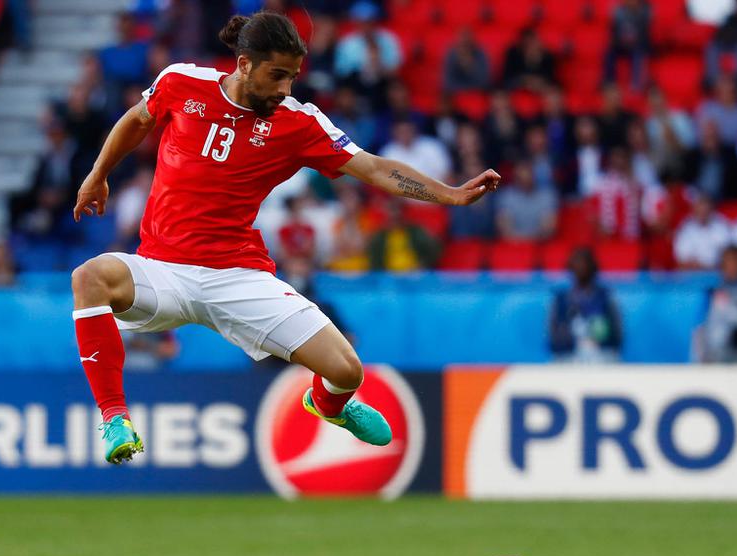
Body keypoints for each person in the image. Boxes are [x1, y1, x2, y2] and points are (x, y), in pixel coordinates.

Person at [70, 12, 502, 463]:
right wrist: (98, 175)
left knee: (346, 369)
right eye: (277, 75)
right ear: (243, 64)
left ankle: (328, 405)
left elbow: (373, 167)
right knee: (90, 277)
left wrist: (449, 195)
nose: (285, 89)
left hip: (238, 277)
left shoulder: (299, 122)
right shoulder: (181, 82)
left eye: (293, 77)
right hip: (163, 269)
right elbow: (138, 120)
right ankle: (115, 419)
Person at [548, 248, 623, 363]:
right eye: (577, 264)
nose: (581, 268)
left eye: (585, 264)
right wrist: (574, 342)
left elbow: (617, 335)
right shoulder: (561, 300)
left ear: (593, 267)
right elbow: (554, 336)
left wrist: (597, 342)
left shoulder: (605, 297)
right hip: (569, 356)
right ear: (570, 268)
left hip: (601, 354)